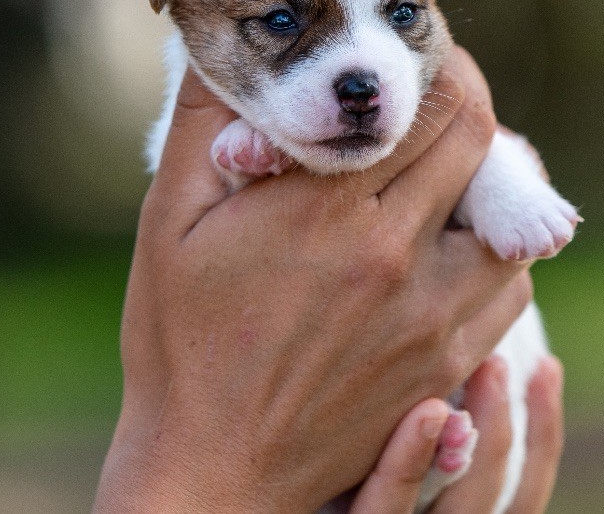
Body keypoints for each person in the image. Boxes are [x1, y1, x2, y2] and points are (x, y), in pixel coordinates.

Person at [94, 45, 564, 512]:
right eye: (281, 23)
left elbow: (474, 142)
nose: (360, 73)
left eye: (400, 13)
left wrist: (496, 185)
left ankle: (424, 462)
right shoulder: (203, 130)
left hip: (471, 424)